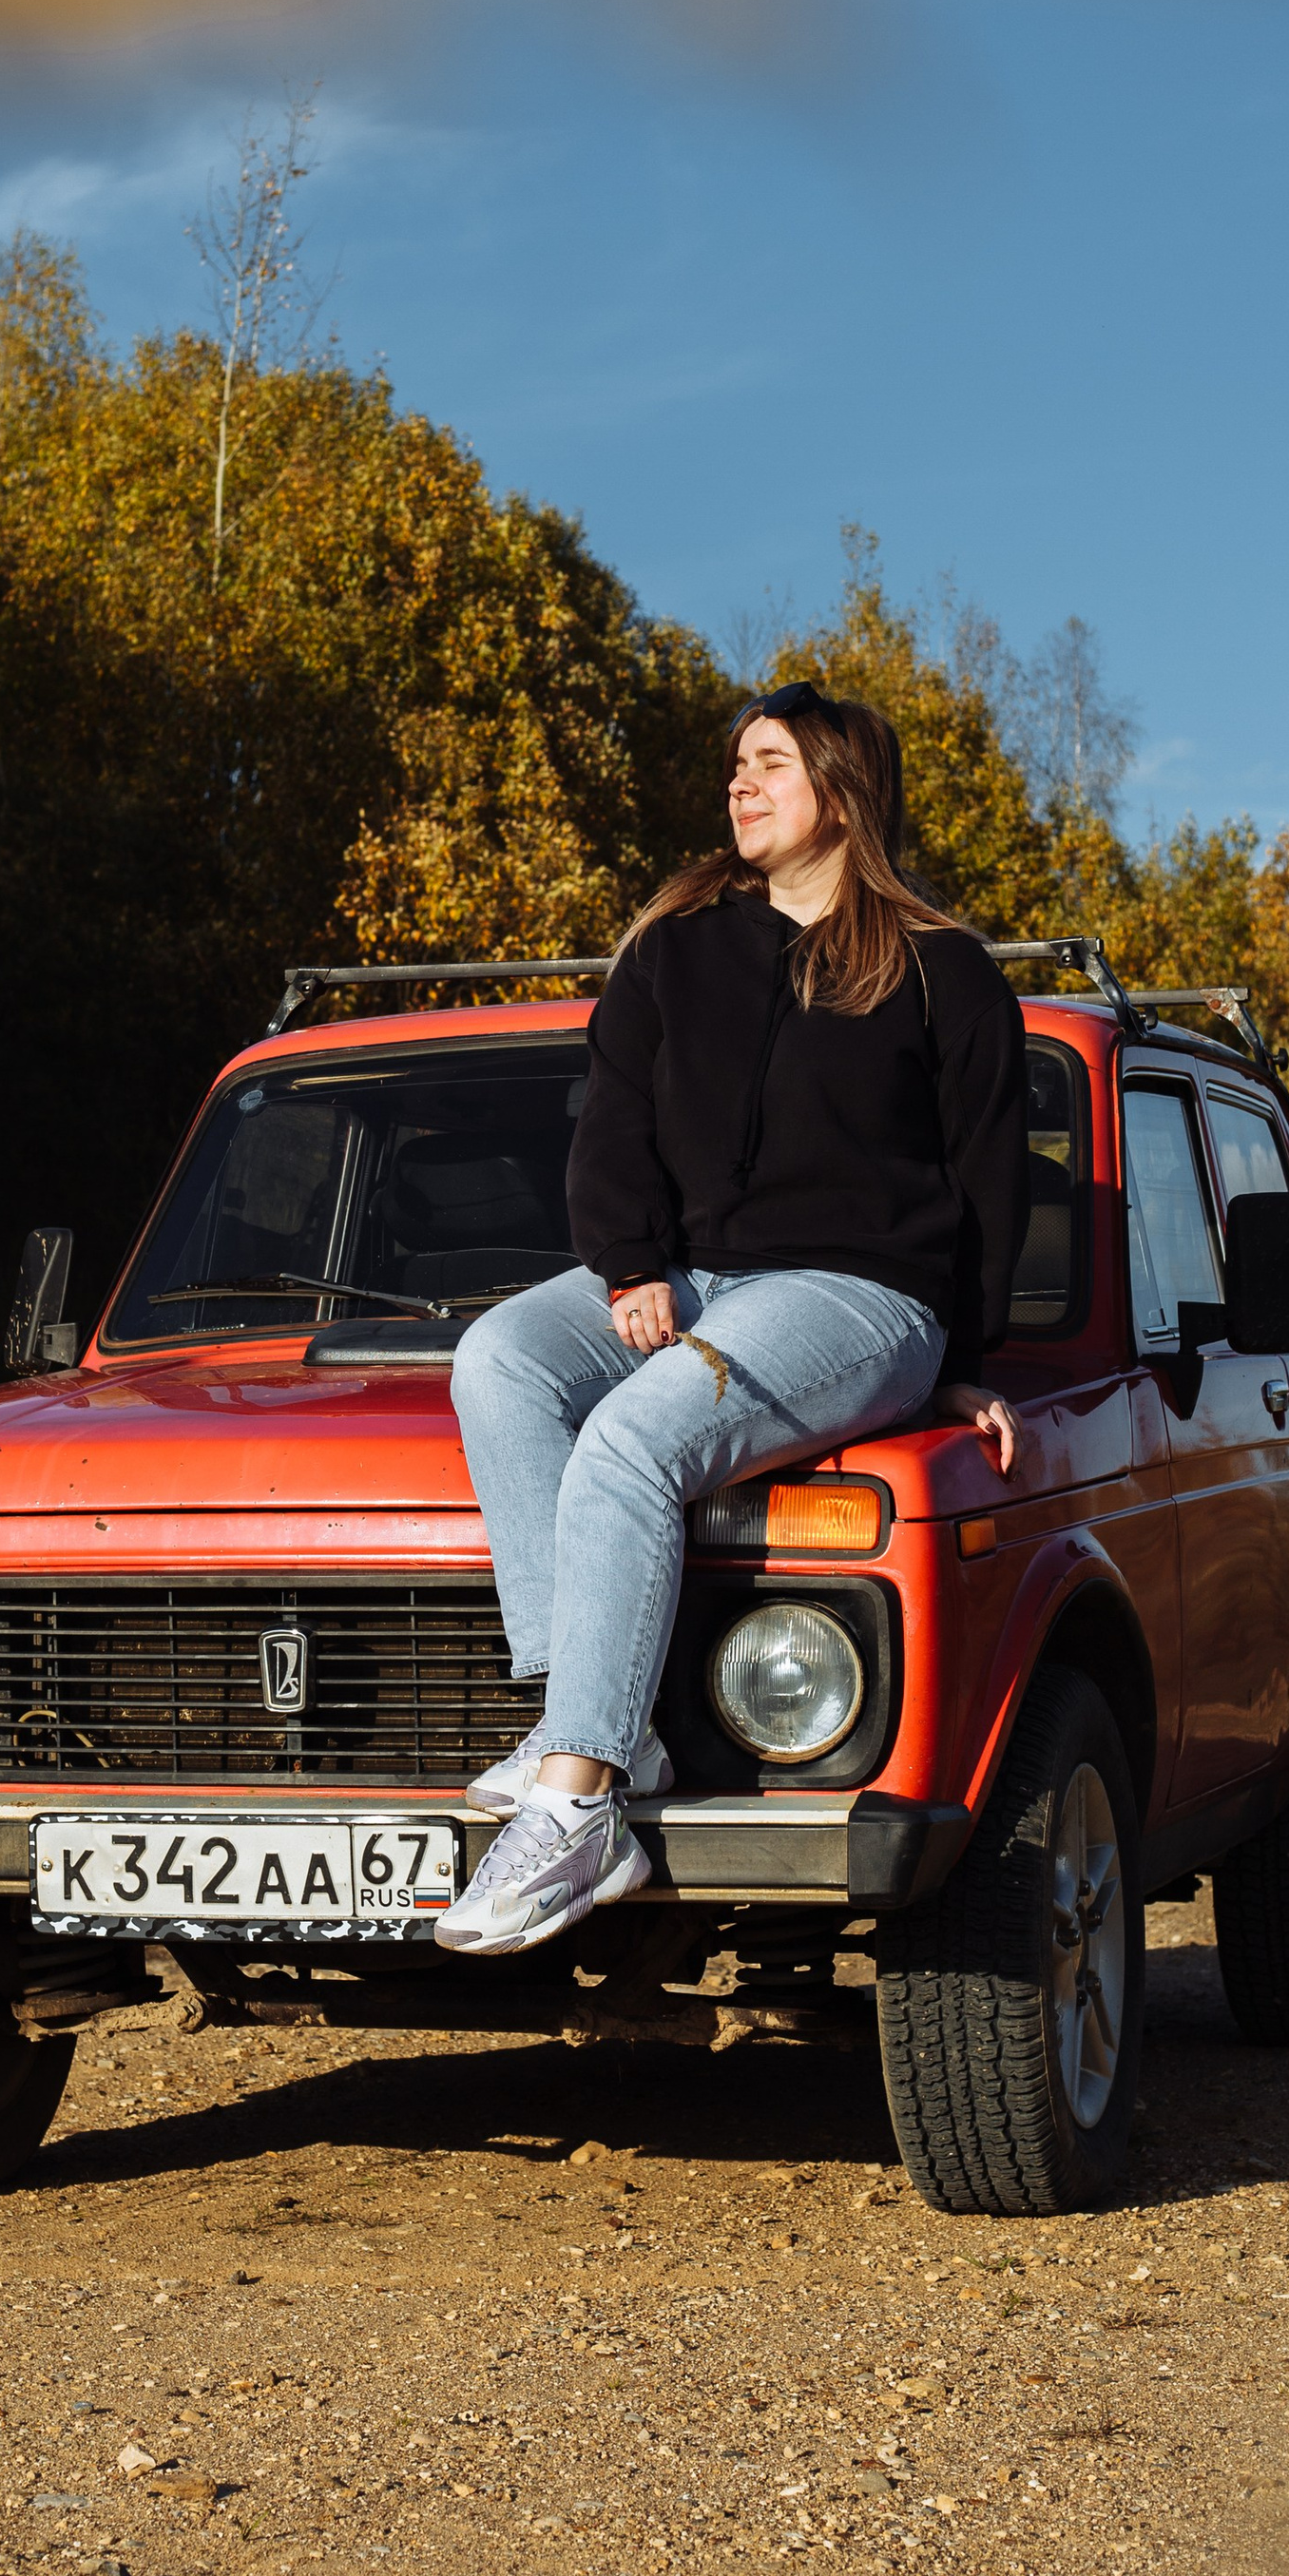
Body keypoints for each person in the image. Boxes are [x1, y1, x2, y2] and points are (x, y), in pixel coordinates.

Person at [436, 682, 1030, 1956]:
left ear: (842, 787)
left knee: (634, 1441)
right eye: (736, 766)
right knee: (501, 1360)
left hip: (862, 1296)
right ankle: (586, 1713)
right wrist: (632, 1265)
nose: (740, 785)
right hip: (695, 1272)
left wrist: (958, 1364)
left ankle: (583, 1807)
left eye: (769, 764)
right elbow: (615, 1126)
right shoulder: (679, 948)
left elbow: (990, 1184)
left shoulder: (944, 974)